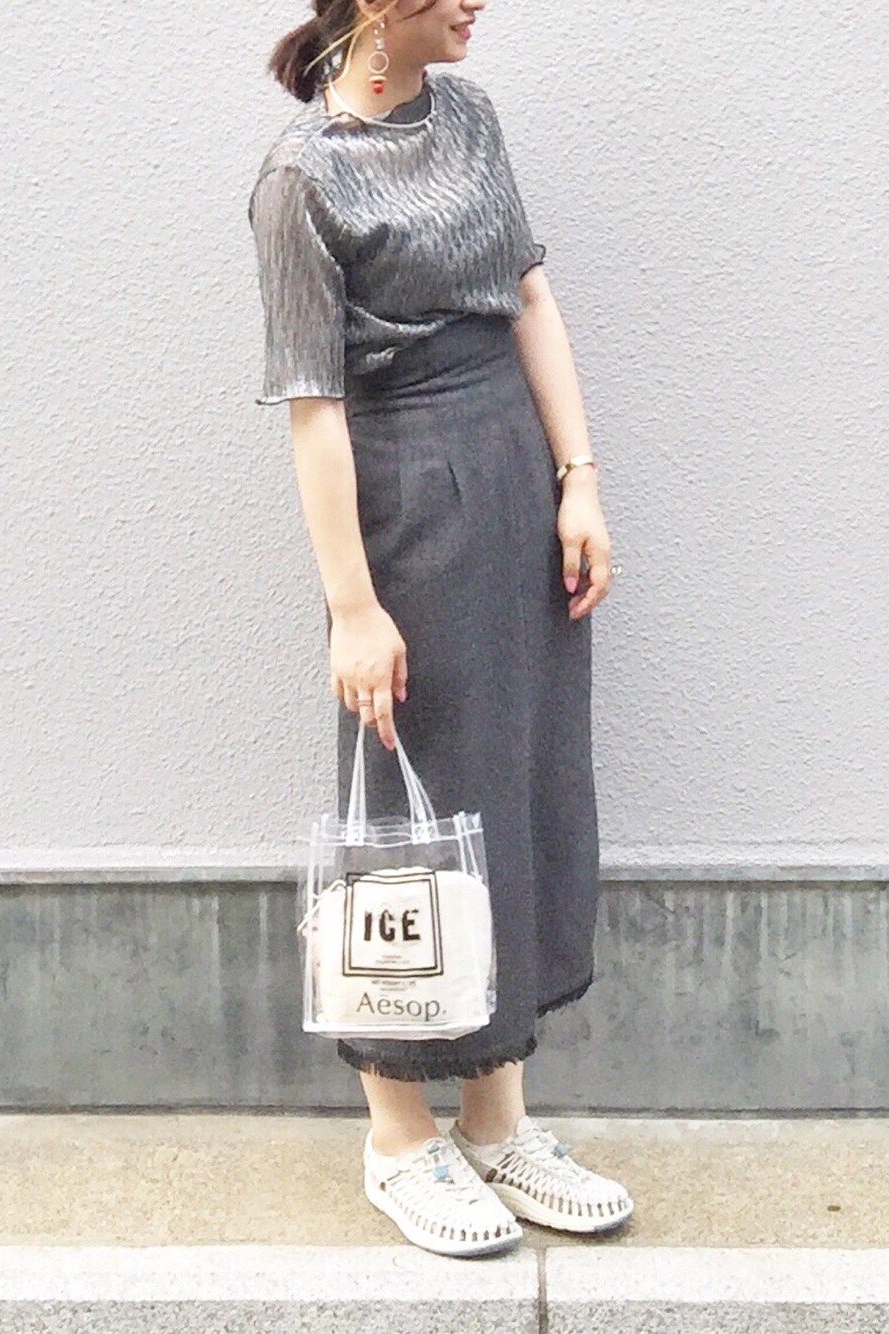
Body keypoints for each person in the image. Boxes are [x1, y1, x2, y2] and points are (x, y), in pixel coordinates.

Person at [248, 0, 633, 1259]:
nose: (478, 3)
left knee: (513, 785)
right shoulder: (301, 178)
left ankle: (497, 1117)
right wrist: (353, 605)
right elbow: (312, 406)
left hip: (511, 476)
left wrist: (577, 476)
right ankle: (398, 1134)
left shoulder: (469, 116)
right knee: (405, 806)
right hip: (404, 499)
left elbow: (528, 293)